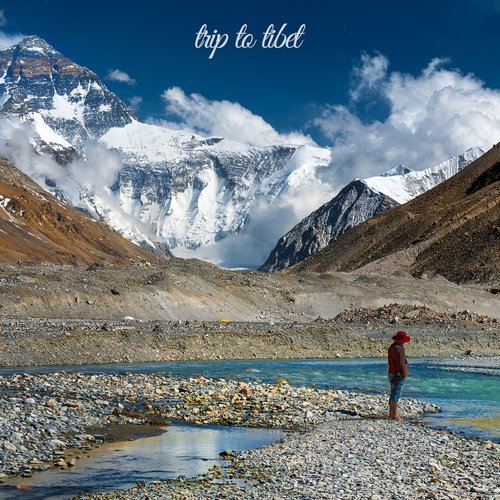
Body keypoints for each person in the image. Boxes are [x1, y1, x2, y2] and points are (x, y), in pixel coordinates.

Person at [387, 330, 411, 421]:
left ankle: (391, 414)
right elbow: (401, 364)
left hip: (391, 372)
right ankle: (394, 415)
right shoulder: (399, 349)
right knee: (396, 394)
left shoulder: (392, 347)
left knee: (393, 392)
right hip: (398, 374)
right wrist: (401, 373)